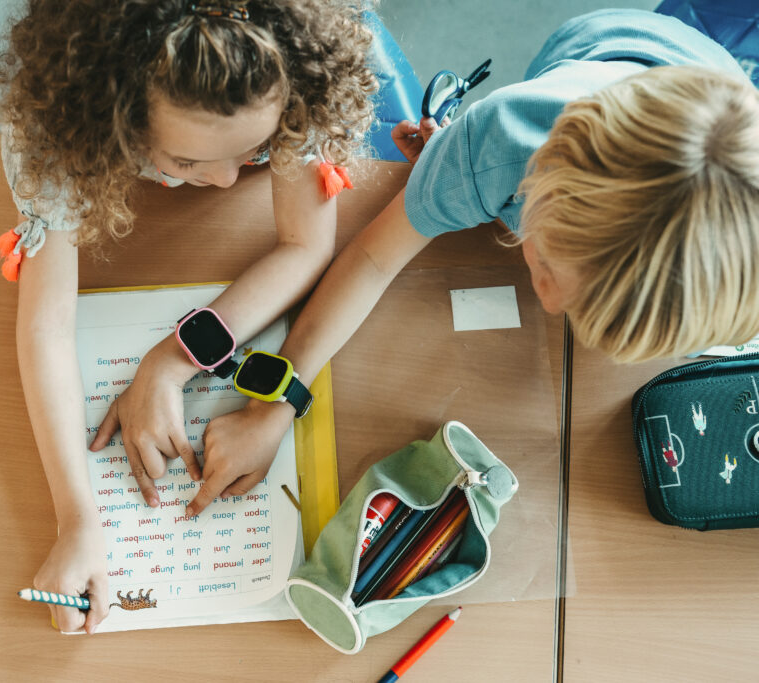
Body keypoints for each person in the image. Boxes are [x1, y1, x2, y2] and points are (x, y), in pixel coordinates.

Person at [189, 9, 759, 514]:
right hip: (611, 43)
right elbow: (369, 259)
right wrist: (272, 409)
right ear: (537, 180)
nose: (550, 302)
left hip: (713, 92)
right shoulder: (499, 142)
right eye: (548, 267)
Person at [0, 0, 376, 634]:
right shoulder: (53, 139)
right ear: (112, 120)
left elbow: (307, 244)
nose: (226, 181)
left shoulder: (292, 77)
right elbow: (44, 326)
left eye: (250, 150)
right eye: (187, 162)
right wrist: (77, 519)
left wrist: (173, 360)